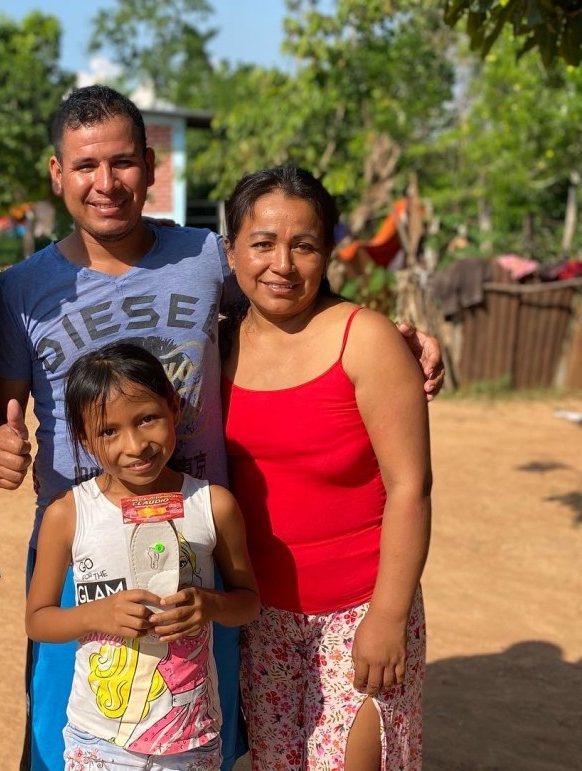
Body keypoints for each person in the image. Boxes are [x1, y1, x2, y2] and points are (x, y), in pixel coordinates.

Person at [0, 85, 443, 771]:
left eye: (122, 162)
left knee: (197, 737)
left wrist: (396, 336)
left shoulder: (203, 256)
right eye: (84, 165)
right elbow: (3, 409)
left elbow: (286, 295)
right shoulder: (21, 288)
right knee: (72, 744)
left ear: (149, 166)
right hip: (82, 551)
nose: (106, 182)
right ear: (57, 174)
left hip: (200, 550)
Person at [221, 166, 432, 770]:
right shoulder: (216, 346)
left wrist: (388, 617)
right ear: (231, 251)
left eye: (304, 245)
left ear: (328, 253)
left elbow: (410, 486)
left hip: (360, 610)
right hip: (261, 620)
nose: (282, 265)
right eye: (263, 243)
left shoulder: (365, 339)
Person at [26, 342, 260, 771]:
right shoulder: (68, 515)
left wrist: (209, 604)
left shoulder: (213, 505)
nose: (134, 445)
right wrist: (97, 614)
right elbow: (38, 620)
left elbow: (248, 603)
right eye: (108, 432)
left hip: (192, 738)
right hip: (98, 741)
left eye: (147, 418)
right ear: (84, 439)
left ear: (174, 407)